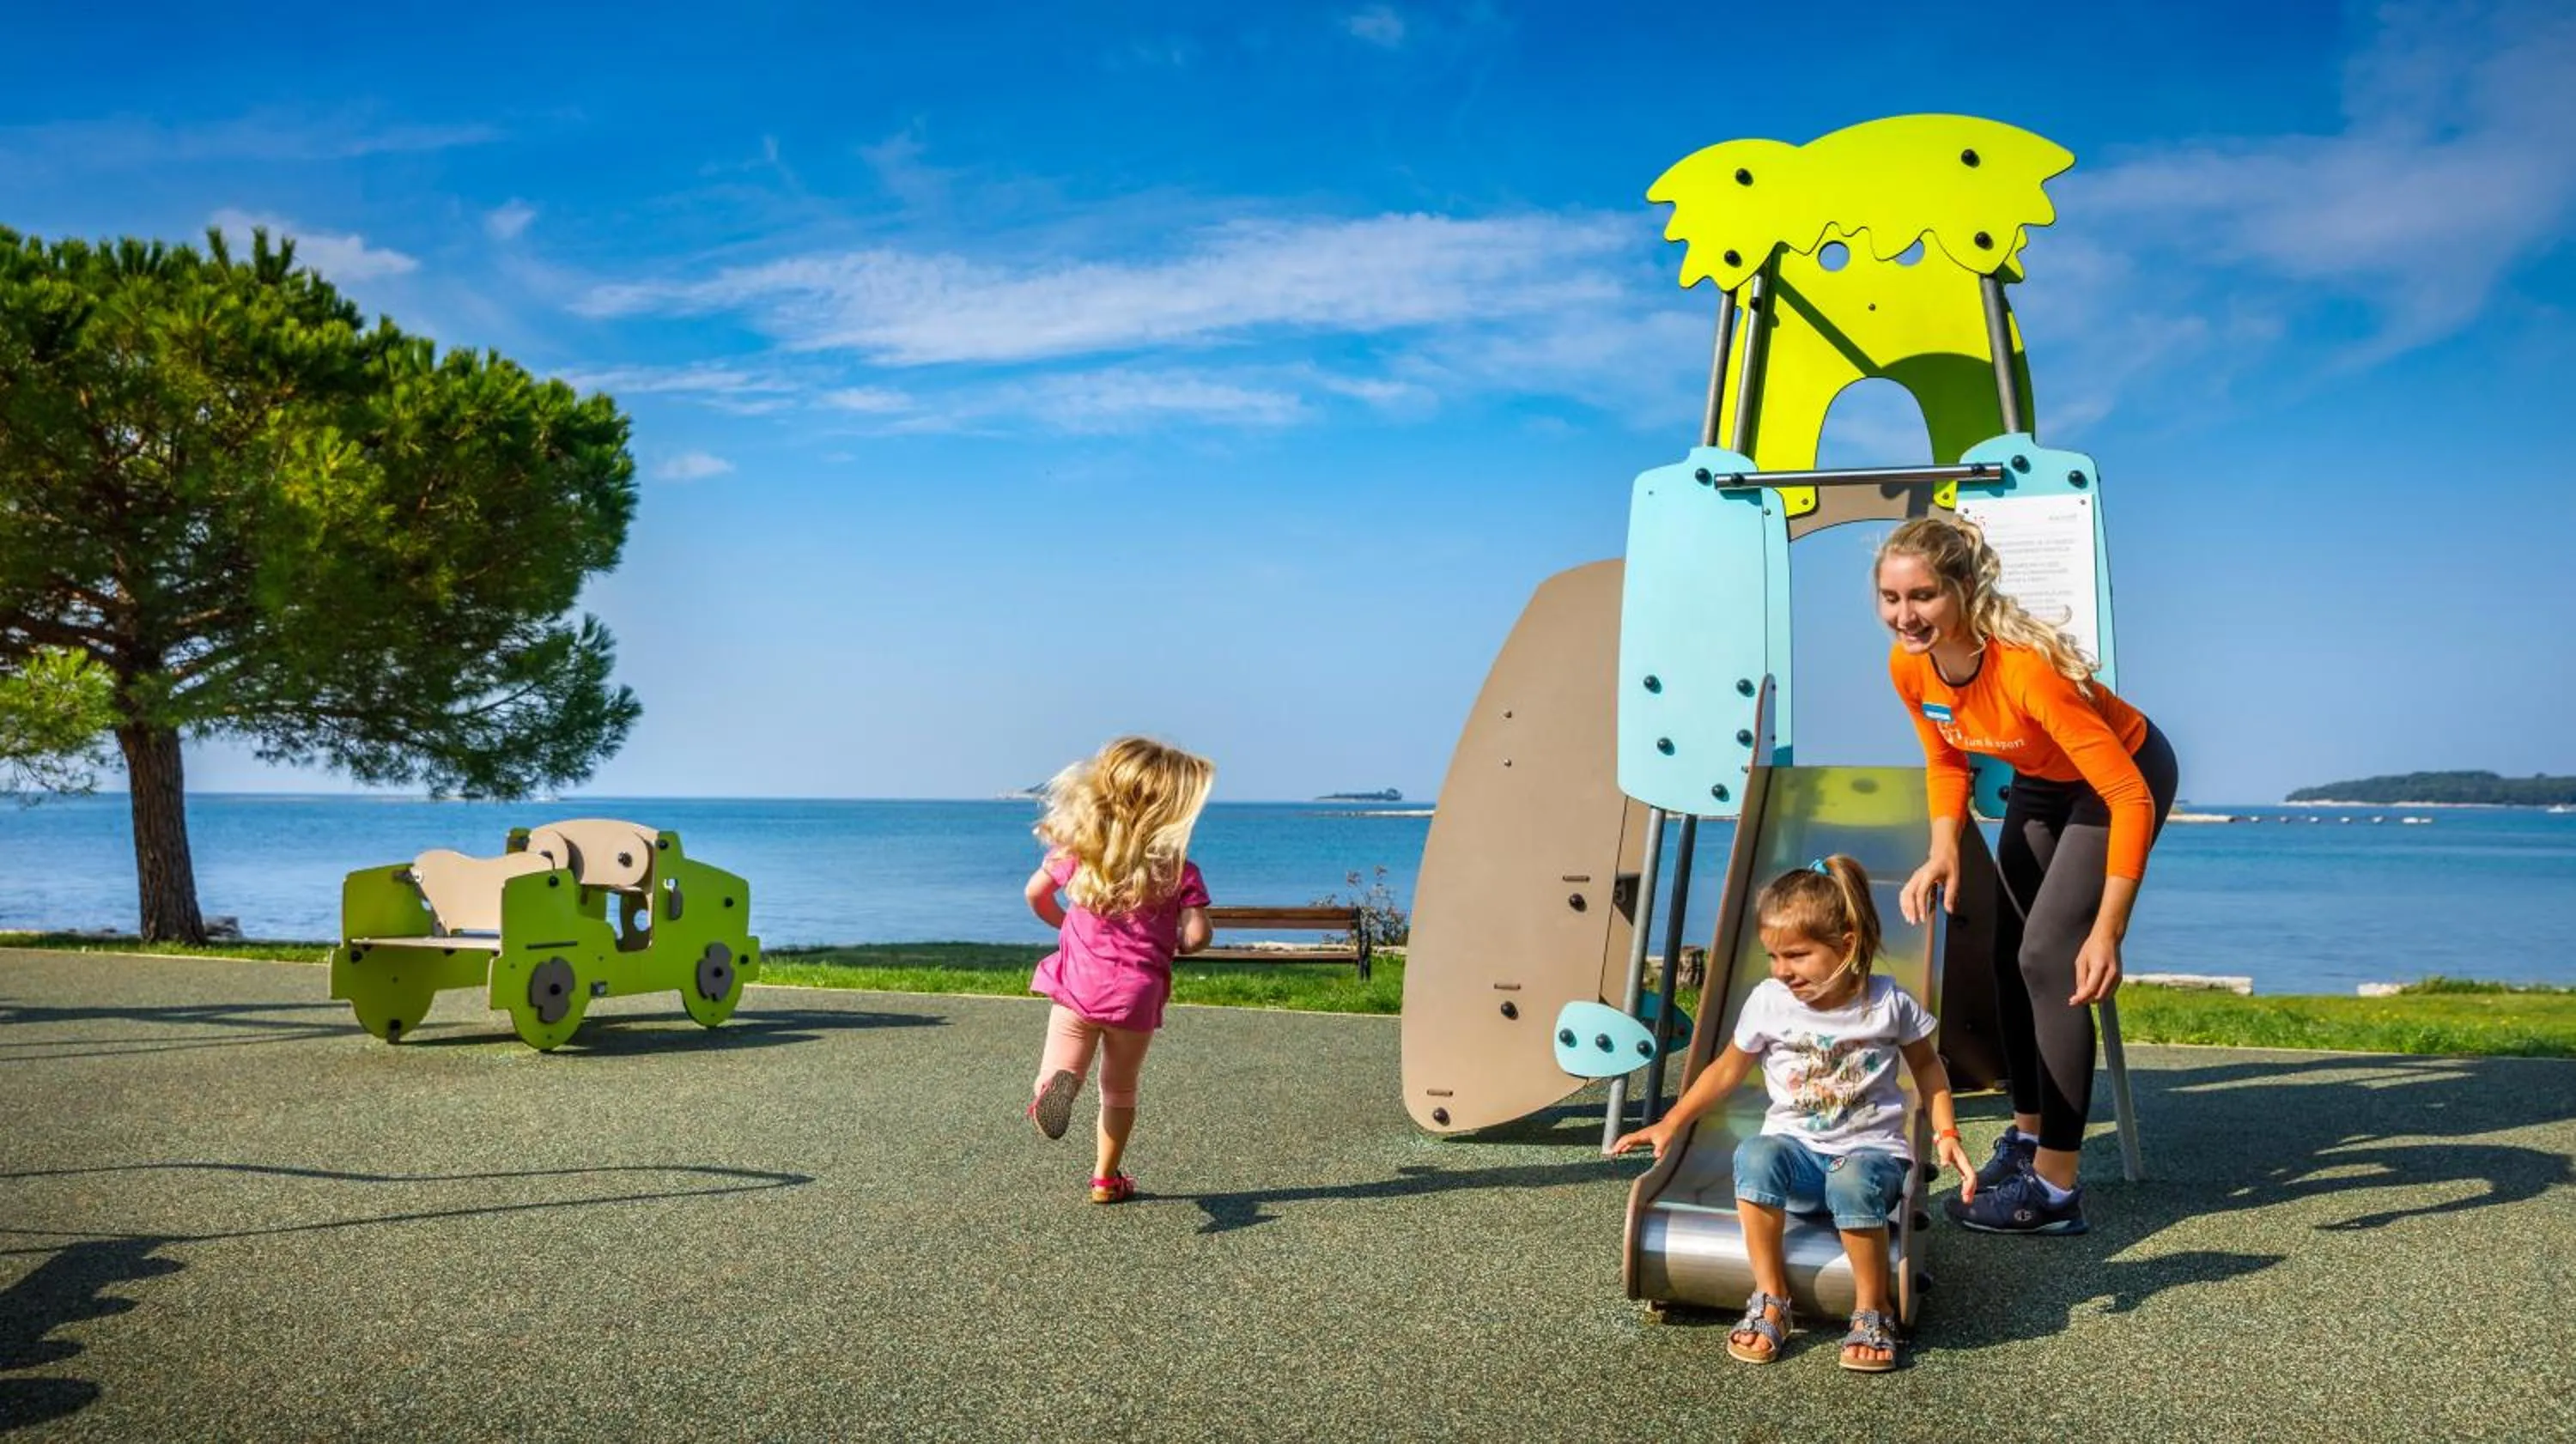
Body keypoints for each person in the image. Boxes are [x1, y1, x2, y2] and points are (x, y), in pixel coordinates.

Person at [1874, 513, 2180, 1235]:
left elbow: (2128, 795)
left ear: (1963, 589)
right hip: (2044, 784)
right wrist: (1944, 849)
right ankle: (2029, 1135)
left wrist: (2108, 931)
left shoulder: (2025, 669)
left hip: (2119, 778)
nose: (1905, 615)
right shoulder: (1909, 666)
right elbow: (1948, 757)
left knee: (2051, 958)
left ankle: (2057, 1189)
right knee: (2007, 952)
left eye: (1922, 596)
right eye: (1890, 598)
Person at [1613, 856, 1972, 1374]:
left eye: (1798, 956)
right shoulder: (1769, 1001)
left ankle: (1874, 1309)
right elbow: (1727, 1070)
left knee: (1852, 1181)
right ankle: (1771, 1297)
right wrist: (1672, 1121)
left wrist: (1946, 1133)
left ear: (1846, 947)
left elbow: (1929, 1071)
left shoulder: (1887, 1003)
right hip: (1801, 1161)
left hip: (1872, 1160)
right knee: (1757, 1154)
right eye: (1774, 956)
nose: (1782, 970)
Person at [1022, 736, 1216, 1204]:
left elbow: (1035, 894)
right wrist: (1177, 940)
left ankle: (1056, 1086)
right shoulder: (1177, 870)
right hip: (1136, 996)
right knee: (1120, 1088)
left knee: (1062, 1065)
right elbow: (1197, 936)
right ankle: (1106, 1180)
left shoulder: (1079, 854)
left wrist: (1067, 923)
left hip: (1077, 988)